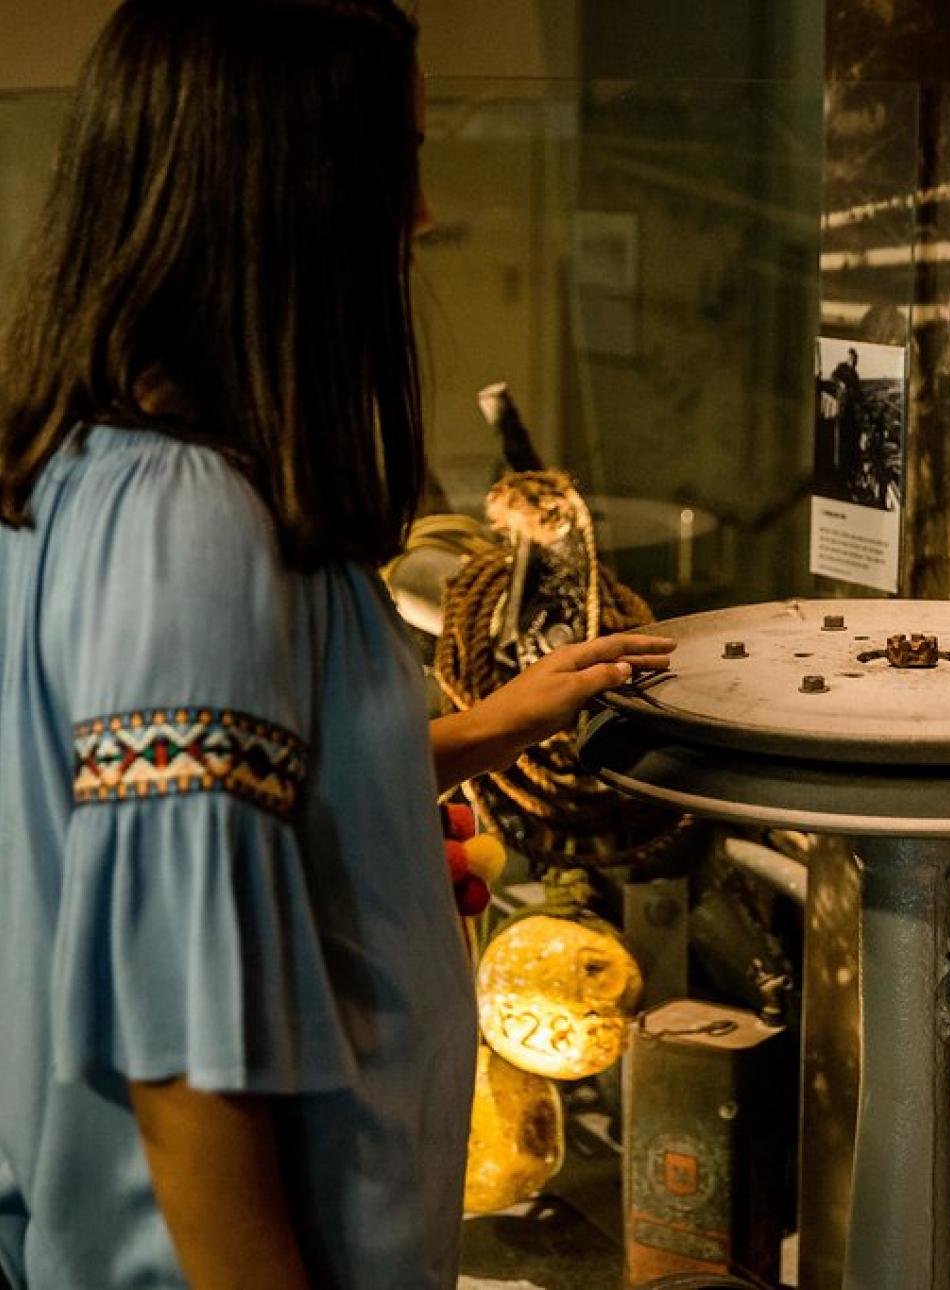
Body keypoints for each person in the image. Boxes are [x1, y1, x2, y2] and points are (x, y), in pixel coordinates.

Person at [0, 3, 675, 1287]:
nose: (418, 217)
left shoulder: (83, 472)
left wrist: (484, 732)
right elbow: (182, 1054)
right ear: (279, 195)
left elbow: (217, 828)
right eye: (397, 161)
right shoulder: (189, 519)